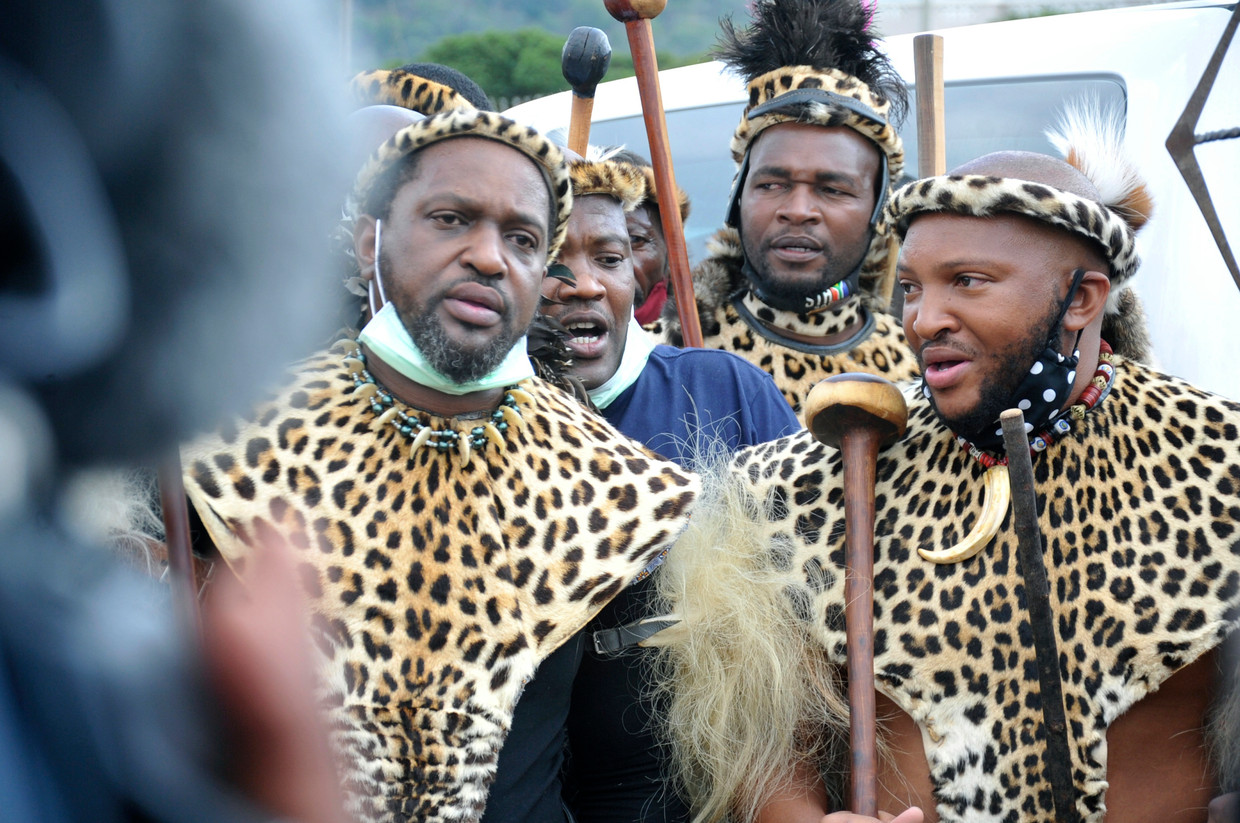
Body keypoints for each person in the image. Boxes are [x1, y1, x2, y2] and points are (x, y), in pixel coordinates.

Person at [651, 103, 1240, 823]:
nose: (923, 318)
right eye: (910, 288)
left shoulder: (1218, 469)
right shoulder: (809, 485)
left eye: (967, 280)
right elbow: (768, 758)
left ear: (1082, 298)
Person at [179, 110, 699, 823]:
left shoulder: (616, 493)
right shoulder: (229, 447)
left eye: (521, 238)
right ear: (370, 243)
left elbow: (624, 778)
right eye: (451, 219)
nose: (489, 257)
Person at [476, 150, 797, 823]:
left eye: (611, 258)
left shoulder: (724, 389)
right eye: (554, 260)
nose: (584, 284)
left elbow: (815, 603)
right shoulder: (472, 427)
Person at [655, 0, 919, 414]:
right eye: (772, 184)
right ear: (738, 197)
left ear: (878, 212)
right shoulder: (667, 356)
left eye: (833, 190)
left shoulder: (920, 368)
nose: (797, 210)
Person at [606, 149, 691, 328]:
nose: (614, 257)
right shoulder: (536, 345)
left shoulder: (707, 340)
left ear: (670, 253)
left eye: (636, 240)